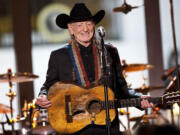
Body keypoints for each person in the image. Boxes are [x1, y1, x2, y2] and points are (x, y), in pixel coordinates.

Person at [36, 3, 153, 135]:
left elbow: (121, 88)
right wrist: (43, 95)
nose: (85, 29)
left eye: (89, 23)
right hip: (74, 126)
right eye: (79, 25)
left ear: (94, 25)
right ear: (70, 29)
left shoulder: (110, 51)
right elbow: (49, 85)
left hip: (107, 126)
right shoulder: (58, 55)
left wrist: (139, 98)